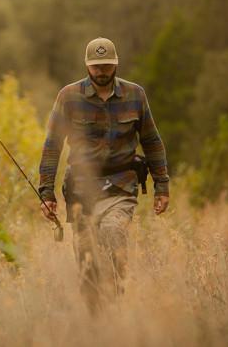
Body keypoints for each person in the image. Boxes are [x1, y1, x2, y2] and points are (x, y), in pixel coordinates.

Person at [37, 37, 169, 311]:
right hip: (81, 190)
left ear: (116, 64)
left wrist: (162, 185)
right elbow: (52, 145)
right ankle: (96, 317)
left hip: (122, 185)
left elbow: (152, 141)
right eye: (96, 66)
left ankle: (115, 298)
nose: (102, 71)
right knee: (86, 258)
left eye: (107, 65)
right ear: (87, 65)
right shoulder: (68, 96)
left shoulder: (136, 95)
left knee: (112, 232)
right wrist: (46, 192)